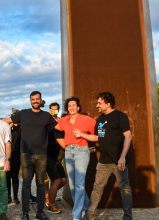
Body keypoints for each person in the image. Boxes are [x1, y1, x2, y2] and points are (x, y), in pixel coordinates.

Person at [74, 91, 132, 220]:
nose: (97, 106)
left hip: (119, 161)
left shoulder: (120, 116)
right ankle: (89, 215)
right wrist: (81, 134)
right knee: (97, 188)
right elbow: (97, 137)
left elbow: (128, 136)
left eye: (99, 103)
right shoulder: (100, 119)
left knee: (125, 189)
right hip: (104, 162)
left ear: (108, 104)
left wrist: (122, 157)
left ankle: (128, 217)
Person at [3, 91, 58, 220]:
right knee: (26, 184)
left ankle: (40, 211)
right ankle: (25, 213)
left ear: (41, 100)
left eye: (37, 99)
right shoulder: (23, 114)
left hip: (42, 155)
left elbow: (60, 127)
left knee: (40, 183)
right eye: (33, 99)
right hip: (26, 154)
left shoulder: (46, 116)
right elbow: (6, 120)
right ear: (30, 101)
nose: (35, 101)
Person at [55, 97, 96, 220]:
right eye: (69, 106)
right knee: (72, 185)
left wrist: (85, 138)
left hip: (81, 152)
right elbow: (54, 128)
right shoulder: (64, 120)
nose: (71, 108)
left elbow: (97, 135)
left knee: (79, 184)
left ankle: (76, 215)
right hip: (68, 152)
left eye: (74, 105)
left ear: (78, 107)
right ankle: (86, 208)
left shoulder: (86, 120)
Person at [7, 109, 21, 205]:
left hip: (17, 156)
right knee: (7, 177)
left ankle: (16, 197)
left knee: (15, 177)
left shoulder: (22, 128)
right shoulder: (8, 128)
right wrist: (9, 127)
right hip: (7, 156)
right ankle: (8, 197)